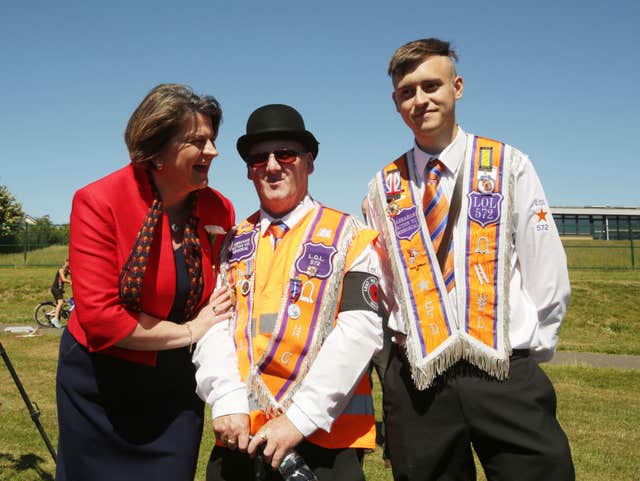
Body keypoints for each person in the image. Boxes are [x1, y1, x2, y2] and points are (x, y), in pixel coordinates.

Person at [364, 38, 575, 481]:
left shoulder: (508, 164)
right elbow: (385, 287)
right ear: (395, 102)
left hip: (503, 370)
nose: (420, 100)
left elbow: (546, 270)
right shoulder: (382, 188)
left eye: (431, 85)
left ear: (456, 87)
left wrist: (527, 355)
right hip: (420, 378)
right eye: (407, 91)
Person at [55, 84, 235, 481]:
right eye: (198, 141)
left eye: (212, 140)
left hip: (174, 387)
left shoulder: (217, 208)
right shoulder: (98, 201)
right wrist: (192, 329)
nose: (213, 152)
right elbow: (102, 319)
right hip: (99, 383)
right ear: (157, 149)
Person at [193, 104, 383, 481]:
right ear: (249, 170)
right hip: (241, 433)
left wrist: (299, 419)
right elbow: (213, 327)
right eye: (259, 158)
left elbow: (359, 332)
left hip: (326, 436)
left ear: (308, 162)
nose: (273, 166)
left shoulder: (352, 237)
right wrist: (227, 398)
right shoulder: (230, 243)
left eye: (286, 154)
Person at [50, 258, 71, 328]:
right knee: (60, 303)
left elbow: (75, 274)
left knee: (59, 305)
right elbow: (63, 279)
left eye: (68, 266)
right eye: (66, 266)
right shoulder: (61, 270)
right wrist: (71, 282)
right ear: (63, 264)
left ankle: (55, 320)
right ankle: (55, 319)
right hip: (56, 289)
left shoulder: (67, 271)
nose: (67, 267)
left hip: (59, 289)